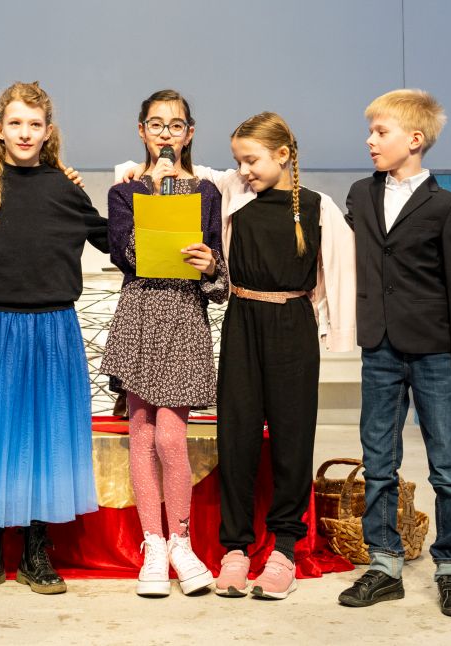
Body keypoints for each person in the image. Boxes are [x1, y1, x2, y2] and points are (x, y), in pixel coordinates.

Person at [119, 111, 356, 600]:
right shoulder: (234, 193)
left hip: (292, 326)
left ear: (283, 155)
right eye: (238, 161)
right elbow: (190, 174)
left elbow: (340, 268)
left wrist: (338, 336)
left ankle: (285, 549)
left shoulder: (318, 207)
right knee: (238, 437)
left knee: (292, 439)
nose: (244, 169)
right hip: (242, 322)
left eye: (251, 160)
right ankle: (235, 548)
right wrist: (132, 167)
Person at [0, 81, 109, 597]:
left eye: (35, 124)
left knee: (45, 440)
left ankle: (37, 553)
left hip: (54, 328)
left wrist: (152, 207)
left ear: (48, 131)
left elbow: (113, 238)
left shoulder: (64, 186)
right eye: (15, 123)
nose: (25, 132)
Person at [336, 89, 451, 617]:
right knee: (378, 458)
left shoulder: (447, 206)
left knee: (447, 464)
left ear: (414, 140)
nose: (370, 141)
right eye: (371, 131)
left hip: (436, 351)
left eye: (381, 132)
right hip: (379, 346)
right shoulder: (359, 194)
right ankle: (384, 563)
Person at [102, 89, 228, 597]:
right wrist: (150, 191)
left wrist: (211, 266)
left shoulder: (208, 192)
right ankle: (152, 545)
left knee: (172, 438)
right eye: (156, 125)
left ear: (190, 133)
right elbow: (124, 255)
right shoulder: (125, 192)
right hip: (139, 315)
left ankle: (181, 540)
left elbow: (218, 277)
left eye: (176, 126)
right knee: (141, 434)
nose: (166, 134)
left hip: (182, 317)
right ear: (141, 131)